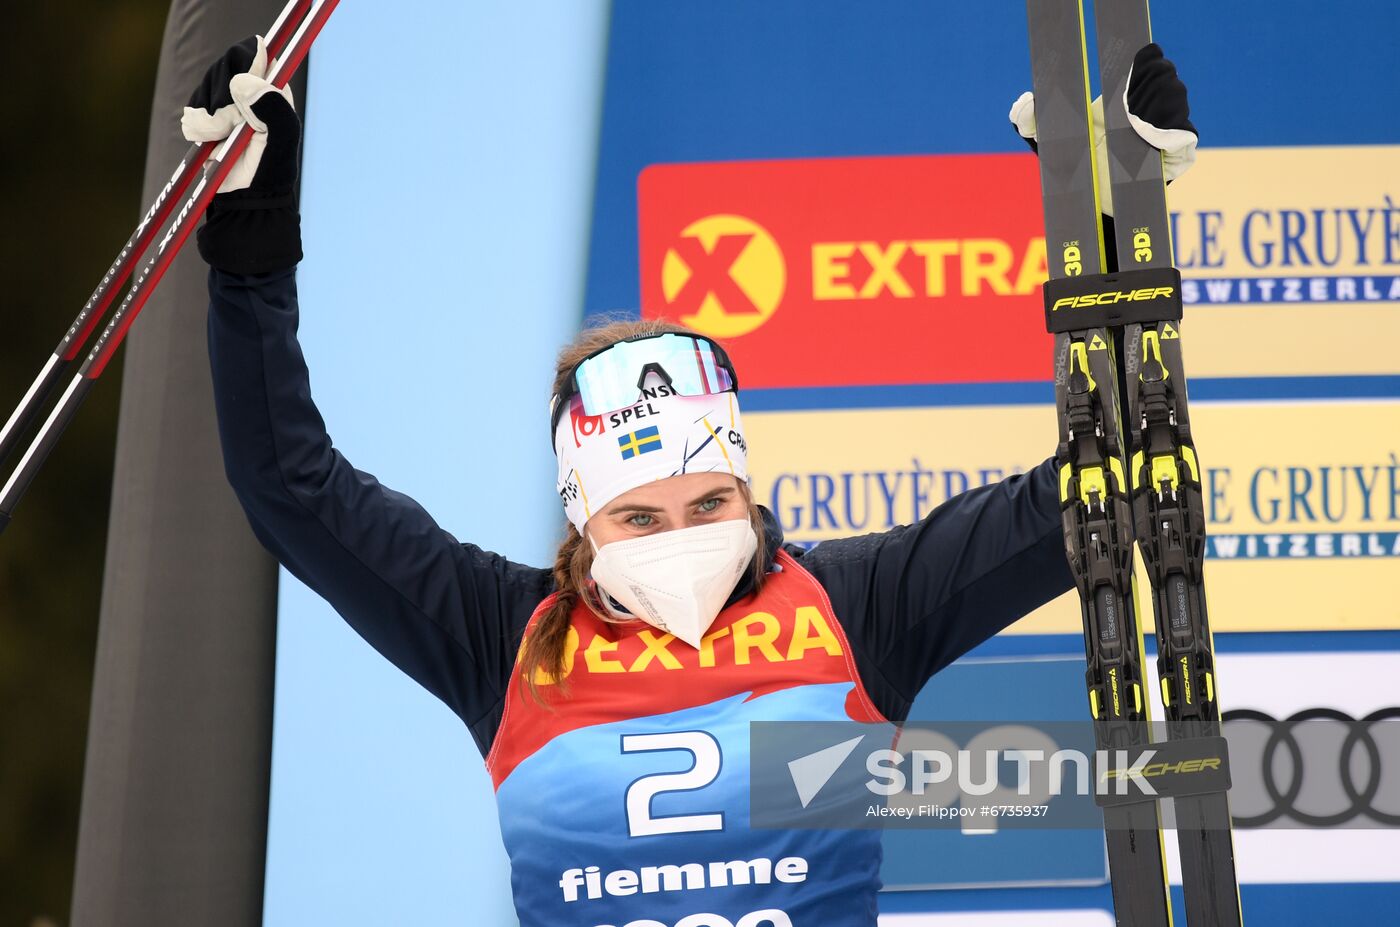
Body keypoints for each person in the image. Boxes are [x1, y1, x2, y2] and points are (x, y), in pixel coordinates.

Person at [190, 37, 1195, 927]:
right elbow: (289, 484)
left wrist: (1109, 244)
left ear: (745, 489)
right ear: (582, 521)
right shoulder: (502, 635)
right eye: (640, 516)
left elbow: (1096, 496)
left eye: (707, 503)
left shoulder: (856, 604)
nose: (681, 535)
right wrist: (250, 255)